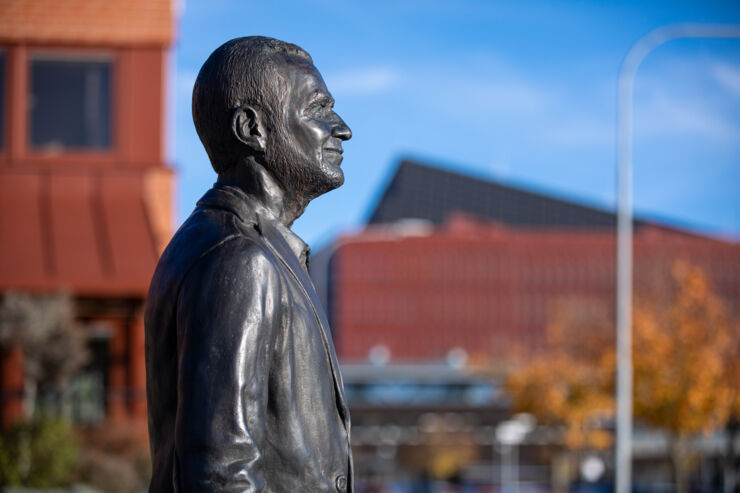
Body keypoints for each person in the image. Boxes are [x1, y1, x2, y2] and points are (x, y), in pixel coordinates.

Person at [145, 36, 353, 492]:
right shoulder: (237, 259)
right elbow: (220, 470)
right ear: (251, 128)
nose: (341, 128)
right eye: (317, 109)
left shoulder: (232, 246)